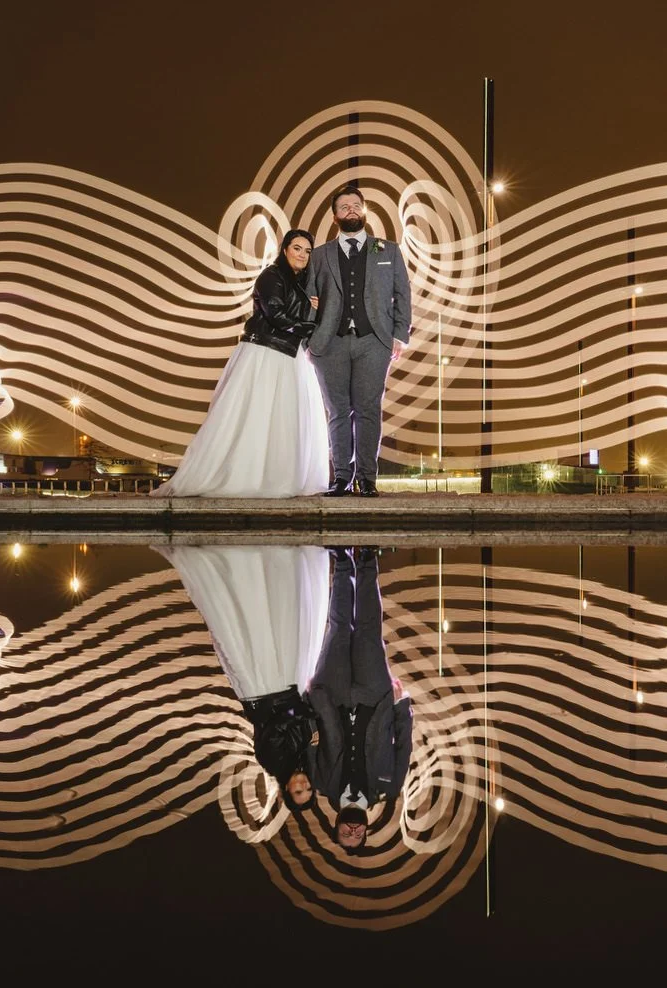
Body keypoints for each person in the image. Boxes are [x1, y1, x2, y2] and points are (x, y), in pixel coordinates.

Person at [154, 230, 329, 497]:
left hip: (289, 353)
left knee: (283, 419)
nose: (302, 255)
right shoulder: (272, 276)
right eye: (297, 248)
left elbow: (292, 313)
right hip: (265, 351)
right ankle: (243, 476)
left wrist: (312, 307)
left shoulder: (300, 283)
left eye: (307, 251)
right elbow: (276, 314)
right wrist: (313, 326)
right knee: (254, 414)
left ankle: (276, 476)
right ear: (284, 249)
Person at [157, 544, 330, 810]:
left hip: (263, 688)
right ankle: (277, 557)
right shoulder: (305, 757)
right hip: (287, 687)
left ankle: (239, 560)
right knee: (286, 615)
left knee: (251, 625)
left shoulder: (272, 762)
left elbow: (274, 728)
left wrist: (300, 713)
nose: (303, 784)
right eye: (308, 789)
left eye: (298, 790)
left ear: (286, 790)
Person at [305, 185, 413, 498]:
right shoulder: (320, 255)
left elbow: (402, 294)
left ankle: (366, 478)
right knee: (338, 411)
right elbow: (308, 295)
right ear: (335, 216)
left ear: (364, 211)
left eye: (356, 205)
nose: (351, 210)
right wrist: (310, 338)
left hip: (374, 342)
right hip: (330, 343)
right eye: (344, 206)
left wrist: (399, 335)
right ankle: (341, 477)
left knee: (368, 410)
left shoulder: (388, 250)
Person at [305, 547, 412, 851]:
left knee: (338, 629)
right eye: (357, 836)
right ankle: (366, 560)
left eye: (345, 834)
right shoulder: (389, 786)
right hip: (374, 698)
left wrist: (310, 705)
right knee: (368, 630)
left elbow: (308, 743)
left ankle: (342, 562)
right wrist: (400, 706)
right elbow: (404, 744)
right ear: (366, 830)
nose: (352, 831)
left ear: (336, 826)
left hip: (331, 696)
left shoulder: (321, 784)